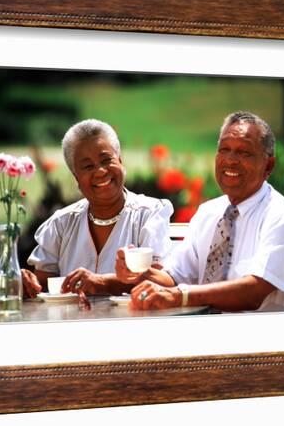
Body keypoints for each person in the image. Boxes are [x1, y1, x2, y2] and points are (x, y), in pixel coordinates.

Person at [115, 111, 284, 312]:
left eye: (244, 153)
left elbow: (253, 293)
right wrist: (137, 272)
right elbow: (174, 277)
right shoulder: (209, 212)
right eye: (224, 149)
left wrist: (180, 296)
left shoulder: (282, 216)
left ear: (269, 165)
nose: (231, 160)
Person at [22, 119, 173, 298]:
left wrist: (103, 283)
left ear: (121, 162)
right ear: (76, 177)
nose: (100, 171)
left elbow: (163, 282)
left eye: (106, 160)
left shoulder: (149, 214)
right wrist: (26, 283)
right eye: (88, 166)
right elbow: (44, 286)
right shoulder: (60, 224)